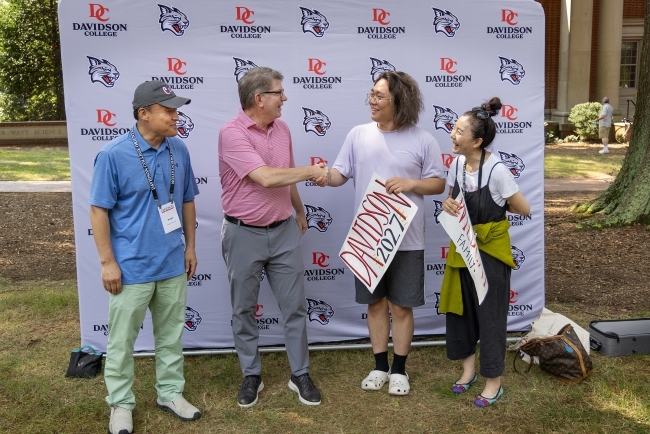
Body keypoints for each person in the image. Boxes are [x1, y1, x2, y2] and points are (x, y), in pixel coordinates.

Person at [323, 71, 446, 396]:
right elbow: (339, 175)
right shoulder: (357, 134)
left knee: (401, 307)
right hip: (368, 240)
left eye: (380, 96)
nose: (372, 100)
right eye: (372, 94)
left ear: (400, 101)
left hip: (407, 240)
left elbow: (438, 183)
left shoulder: (423, 140)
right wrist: (320, 175)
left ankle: (399, 370)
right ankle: (379, 366)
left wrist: (411, 184)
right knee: (376, 305)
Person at [89, 80, 201, 434]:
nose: (175, 116)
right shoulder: (112, 154)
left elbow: (186, 201)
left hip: (171, 263)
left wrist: (191, 247)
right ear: (144, 114)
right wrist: (108, 262)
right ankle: (121, 403)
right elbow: (98, 211)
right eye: (168, 110)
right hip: (130, 268)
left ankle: (170, 393)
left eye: (176, 109)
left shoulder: (178, 150)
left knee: (170, 336)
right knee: (121, 342)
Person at [219, 66, 328, 408]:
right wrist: (313, 171)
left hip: (283, 232)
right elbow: (266, 177)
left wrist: (298, 209)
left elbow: (285, 175)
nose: (285, 98)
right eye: (279, 92)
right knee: (244, 309)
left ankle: (300, 374)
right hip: (242, 235)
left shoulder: (282, 128)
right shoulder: (231, 133)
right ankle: (251, 374)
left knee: (294, 307)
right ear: (259, 98)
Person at [439, 97, 530, 407]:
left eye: (459, 131)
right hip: (463, 247)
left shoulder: (497, 170)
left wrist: (498, 210)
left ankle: (494, 382)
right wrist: (448, 205)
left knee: (490, 316)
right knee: (461, 311)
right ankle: (468, 373)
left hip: (490, 252)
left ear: (476, 141)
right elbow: (450, 201)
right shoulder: (456, 164)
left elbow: (524, 207)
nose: (452, 134)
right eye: (454, 128)